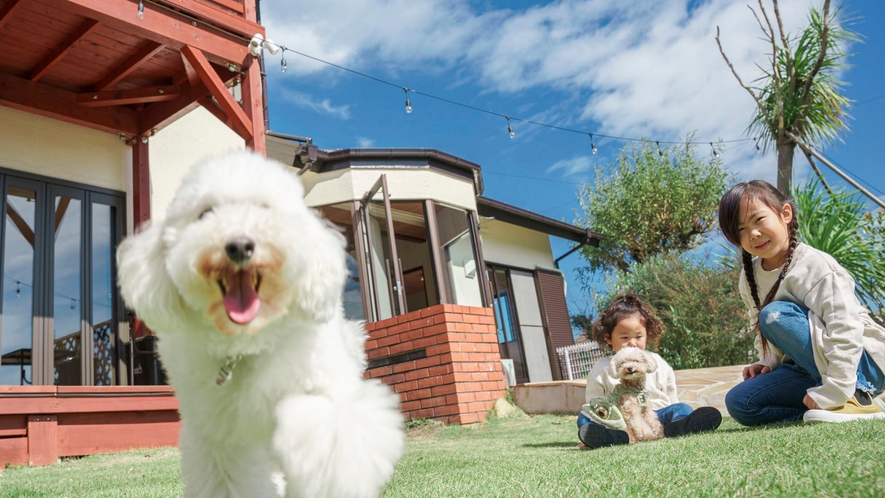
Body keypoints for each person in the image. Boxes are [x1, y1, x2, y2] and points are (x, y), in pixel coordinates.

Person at [718, 180, 885, 425]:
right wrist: (767, 361)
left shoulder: (816, 265)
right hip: (809, 367)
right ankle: (825, 409)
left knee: (774, 315)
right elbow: (759, 327)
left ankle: (857, 396)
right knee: (741, 402)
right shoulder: (749, 277)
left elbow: (845, 328)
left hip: (860, 363)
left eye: (758, 220)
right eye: (741, 229)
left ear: (785, 214)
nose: (752, 233)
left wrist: (838, 387)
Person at [578, 293, 722, 449]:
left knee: (681, 408)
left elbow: (671, 396)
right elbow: (594, 402)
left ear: (647, 334)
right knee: (584, 417)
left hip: (658, 413)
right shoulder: (602, 367)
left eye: (639, 336)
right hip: (617, 418)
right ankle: (609, 436)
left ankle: (680, 425)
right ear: (609, 338)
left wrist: (674, 411)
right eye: (625, 337)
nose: (632, 342)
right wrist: (601, 416)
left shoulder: (657, 362)